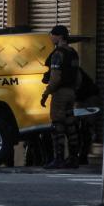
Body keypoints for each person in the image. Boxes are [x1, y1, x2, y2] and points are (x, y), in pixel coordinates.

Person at [41, 25, 80, 169]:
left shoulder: (58, 54)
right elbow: (78, 75)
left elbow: (55, 77)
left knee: (58, 125)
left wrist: (46, 93)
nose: (51, 37)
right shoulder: (73, 53)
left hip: (60, 93)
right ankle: (73, 158)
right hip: (71, 92)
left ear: (59, 36)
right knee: (71, 124)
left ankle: (59, 159)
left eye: (52, 35)